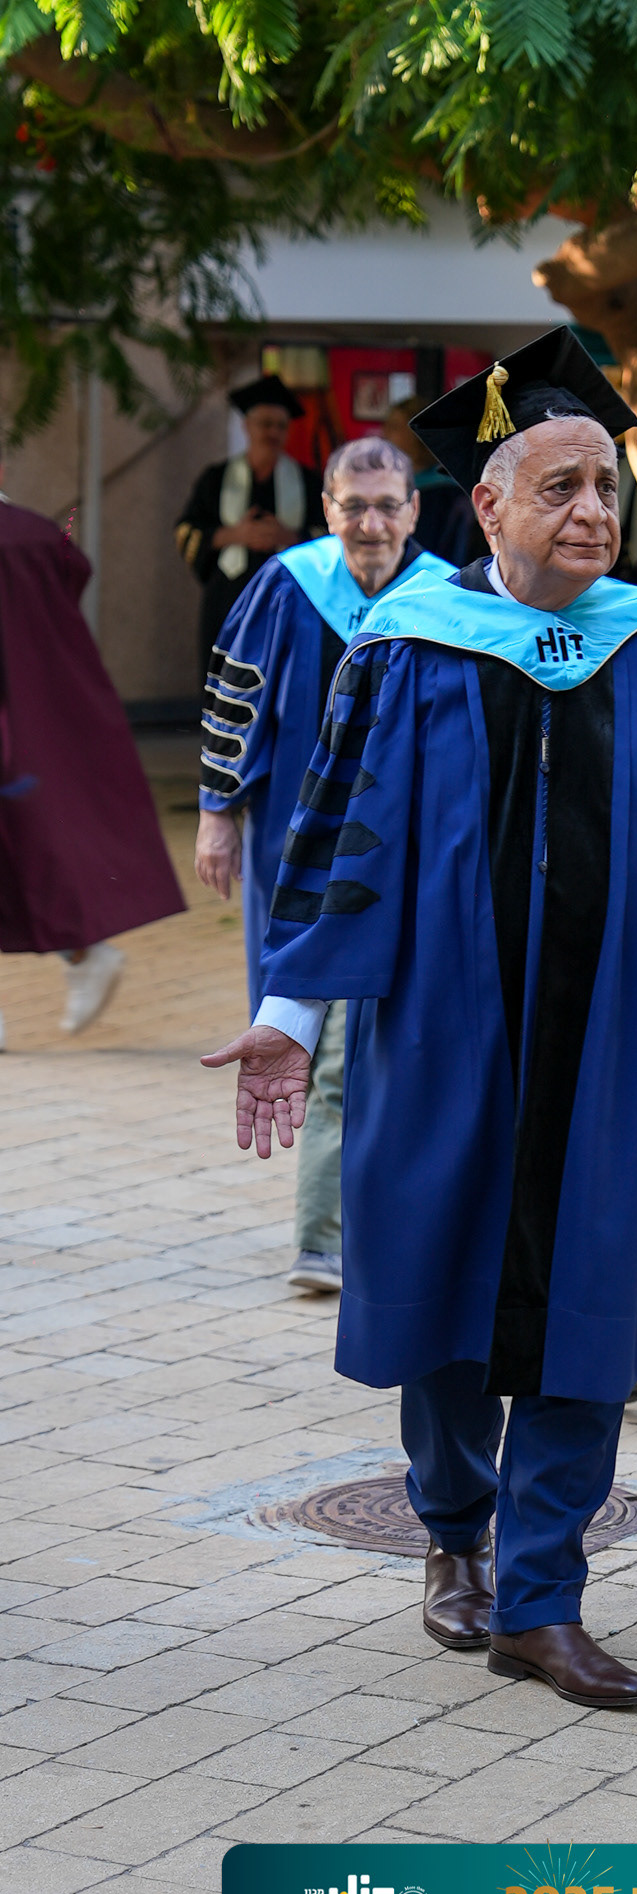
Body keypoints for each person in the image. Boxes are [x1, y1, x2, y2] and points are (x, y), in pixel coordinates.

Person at [202, 328, 637, 1708]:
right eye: (562, 486)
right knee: (449, 1291)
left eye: (608, 488)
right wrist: (289, 1014)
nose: (593, 511)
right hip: (438, 1037)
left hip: (612, 1048)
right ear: (491, 505)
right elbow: (336, 841)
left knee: (590, 1306)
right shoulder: (408, 648)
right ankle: (453, 1535)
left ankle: (543, 1597)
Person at [194, 438, 449, 1294]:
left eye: (387, 506)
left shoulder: (449, 598)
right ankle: (330, 1230)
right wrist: (216, 814)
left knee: (386, 1034)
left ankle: (348, 1226)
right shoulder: (287, 583)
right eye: (353, 506)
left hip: (410, 850)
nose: (371, 524)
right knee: (310, 1020)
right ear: (327, 509)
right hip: (295, 846)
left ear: (414, 510)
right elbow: (235, 699)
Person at [0, 472, 184, 1049]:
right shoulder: (38, 533)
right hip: (38, 704)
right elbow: (74, 575)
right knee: (31, 841)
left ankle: (83, 953)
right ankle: (82, 952)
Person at [175, 374, 325, 683]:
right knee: (223, 682)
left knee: (282, 683)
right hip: (228, 599)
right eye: (265, 424)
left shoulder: (309, 482)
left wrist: (290, 537)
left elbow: (330, 539)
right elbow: (186, 530)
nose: (273, 432)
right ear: (247, 426)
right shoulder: (216, 479)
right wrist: (234, 535)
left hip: (288, 600)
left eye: (280, 425)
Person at [383, 397, 482, 565]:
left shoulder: (444, 492)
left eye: (395, 427)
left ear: (416, 434)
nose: (385, 433)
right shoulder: (391, 485)